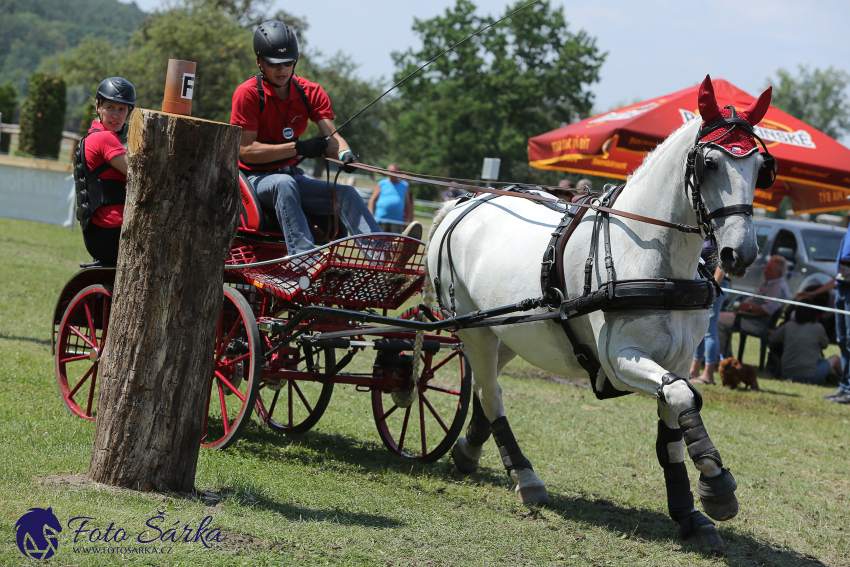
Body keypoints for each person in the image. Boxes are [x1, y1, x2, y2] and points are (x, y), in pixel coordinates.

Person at [230, 20, 381, 256]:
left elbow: (332, 137)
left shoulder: (310, 92)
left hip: (290, 175)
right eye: (274, 64)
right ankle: (304, 260)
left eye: (288, 63)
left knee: (346, 194)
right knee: (284, 183)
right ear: (260, 62)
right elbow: (246, 150)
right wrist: (297, 148)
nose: (282, 70)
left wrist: (345, 154)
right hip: (254, 180)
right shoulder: (248, 93)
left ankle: (383, 261)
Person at [74, 77, 136, 265]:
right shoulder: (105, 139)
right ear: (98, 106)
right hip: (112, 232)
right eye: (110, 107)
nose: (115, 115)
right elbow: (140, 175)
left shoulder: (92, 136)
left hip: (99, 235)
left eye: (122, 109)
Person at [797, 229, 850, 403]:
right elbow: (840, 275)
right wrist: (814, 294)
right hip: (842, 289)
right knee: (843, 340)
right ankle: (844, 387)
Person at [716, 254, 792, 356]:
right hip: (748, 318)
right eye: (766, 268)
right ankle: (722, 355)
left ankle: (723, 357)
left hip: (755, 322)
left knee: (716, 320)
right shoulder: (772, 283)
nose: (765, 271)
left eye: (769, 269)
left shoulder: (777, 288)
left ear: (779, 273)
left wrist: (749, 308)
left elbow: (767, 310)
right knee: (716, 317)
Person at [690, 238, 731, 385]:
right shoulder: (705, 234)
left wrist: (713, 287)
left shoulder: (720, 237)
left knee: (710, 330)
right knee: (700, 327)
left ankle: (708, 375)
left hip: (715, 285)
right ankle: (694, 370)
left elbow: (723, 264)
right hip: (703, 283)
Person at [768, 304, 841, 384]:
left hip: (787, 374)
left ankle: (838, 378)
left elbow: (772, 338)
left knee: (821, 361)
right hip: (811, 376)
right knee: (836, 358)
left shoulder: (788, 326)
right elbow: (825, 345)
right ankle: (845, 379)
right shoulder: (817, 327)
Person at [368, 164, 415, 234]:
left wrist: (407, 221)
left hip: (397, 222)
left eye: (394, 172)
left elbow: (407, 205)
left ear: (399, 173)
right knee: (379, 243)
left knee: (395, 244)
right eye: (390, 171)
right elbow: (372, 200)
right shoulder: (382, 183)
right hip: (381, 220)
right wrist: (370, 214)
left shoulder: (405, 186)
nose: (392, 174)